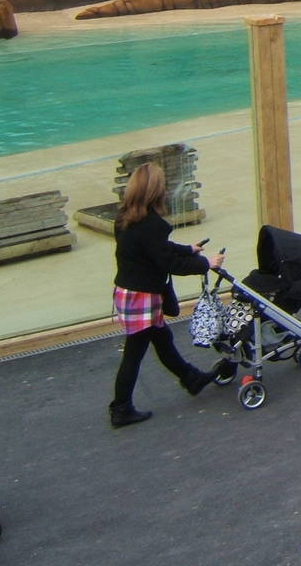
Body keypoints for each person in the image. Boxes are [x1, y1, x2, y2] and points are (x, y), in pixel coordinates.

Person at [110, 162, 232, 428]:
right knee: (134, 352)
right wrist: (206, 264)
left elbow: (156, 250)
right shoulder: (153, 225)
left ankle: (191, 378)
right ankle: (120, 408)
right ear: (157, 191)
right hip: (143, 296)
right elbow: (168, 262)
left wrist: (188, 249)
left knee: (162, 338)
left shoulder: (125, 218)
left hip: (128, 292)